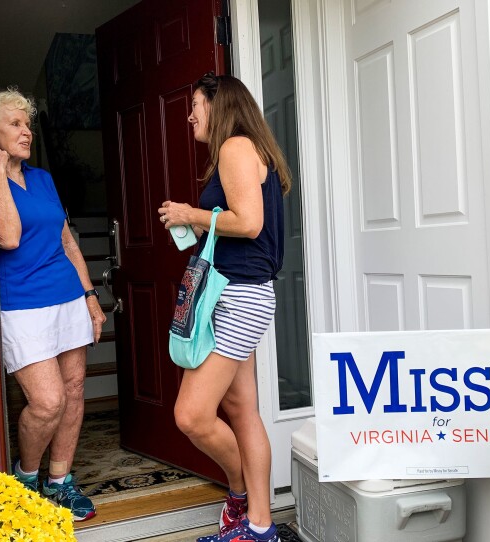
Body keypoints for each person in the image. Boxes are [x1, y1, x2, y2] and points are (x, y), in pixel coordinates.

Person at [158, 73, 291, 542]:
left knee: (190, 415)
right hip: (239, 291)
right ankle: (259, 524)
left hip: (240, 295)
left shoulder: (236, 146)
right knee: (241, 408)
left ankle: (241, 495)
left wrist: (192, 214)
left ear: (221, 105)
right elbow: (236, 224)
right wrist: (197, 226)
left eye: (196, 103)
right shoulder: (242, 149)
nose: (191, 114)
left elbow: (250, 224)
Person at [0, 87, 105, 521]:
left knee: (74, 391)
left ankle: (61, 482)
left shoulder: (42, 179)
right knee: (48, 401)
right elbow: (9, 237)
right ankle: (25, 476)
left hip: (67, 296)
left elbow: (66, 240)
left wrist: (91, 297)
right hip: (22, 304)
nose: (26, 132)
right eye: (15, 124)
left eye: (28, 124)